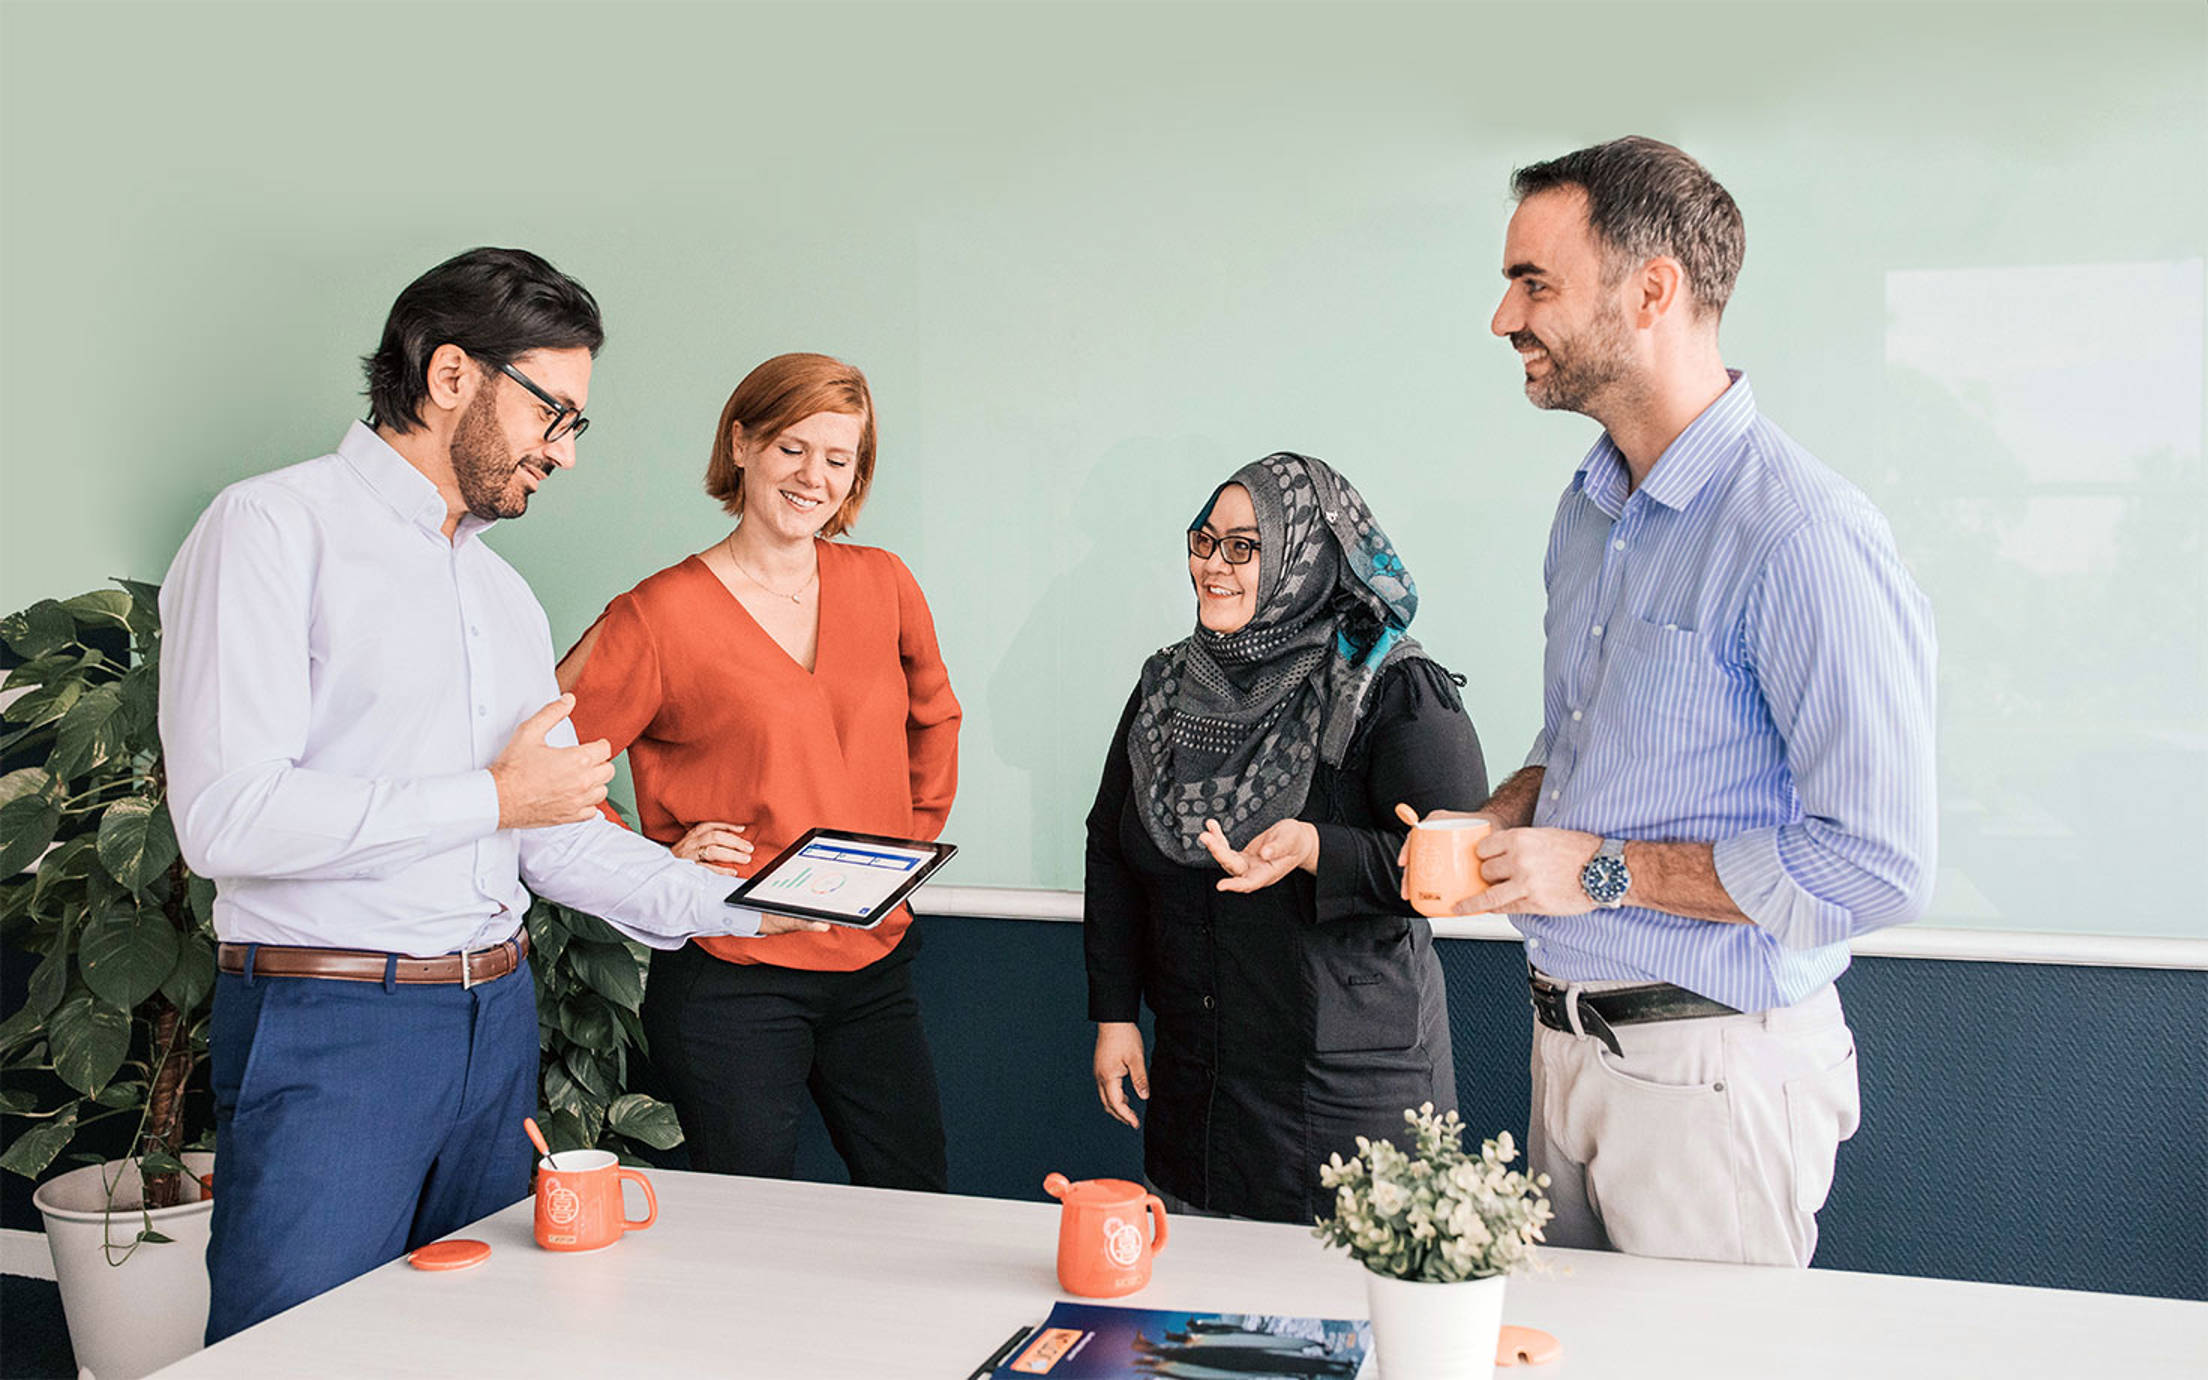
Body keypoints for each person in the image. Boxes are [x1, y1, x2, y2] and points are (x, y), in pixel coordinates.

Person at [159, 248, 823, 1342]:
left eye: (577, 426)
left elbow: (552, 834)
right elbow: (227, 817)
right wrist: (490, 799)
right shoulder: (271, 528)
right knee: (292, 1355)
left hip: (495, 1027)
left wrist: (747, 903)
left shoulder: (504, 595)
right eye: (553, 414)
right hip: (336, 1026)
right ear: (453, 375)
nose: (563, 454)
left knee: (488, 1343)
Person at [1440, 137, 1936, 1266]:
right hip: (1562, 1045)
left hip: (1712, 1076)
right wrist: (1508, 819)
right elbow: (1583, 748)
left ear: (1652, 289)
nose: (1503, 316)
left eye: (1535, 283)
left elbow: (1876, 860)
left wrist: (1600, 868)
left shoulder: (1803, 536)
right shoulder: (1587, 513)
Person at [556, 352, 960, 1189]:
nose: (815, 478)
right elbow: (546, 766)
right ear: (741, 444)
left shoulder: (883, 582)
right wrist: (655, 864)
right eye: (792, 448)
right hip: (730, 977)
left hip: (873, 964)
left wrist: (895, 853)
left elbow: (936, 720)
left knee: (919, 1203)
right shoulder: (657, 615)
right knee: (746, 1229)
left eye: (838, 460)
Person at [1084, 453, 1487, 1224]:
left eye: (1244, 545)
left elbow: (1464, 866)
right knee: (1203, 1329)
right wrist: (1113, 1015)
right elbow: (1112, 848)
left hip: (1348, 1101)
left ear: (1307, 554)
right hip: (1200, 1089)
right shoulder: (1167, 686)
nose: (1212, 565)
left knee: (1352, 1333)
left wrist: (1318, 849)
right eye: (1204, 541)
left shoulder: (1391, 684)